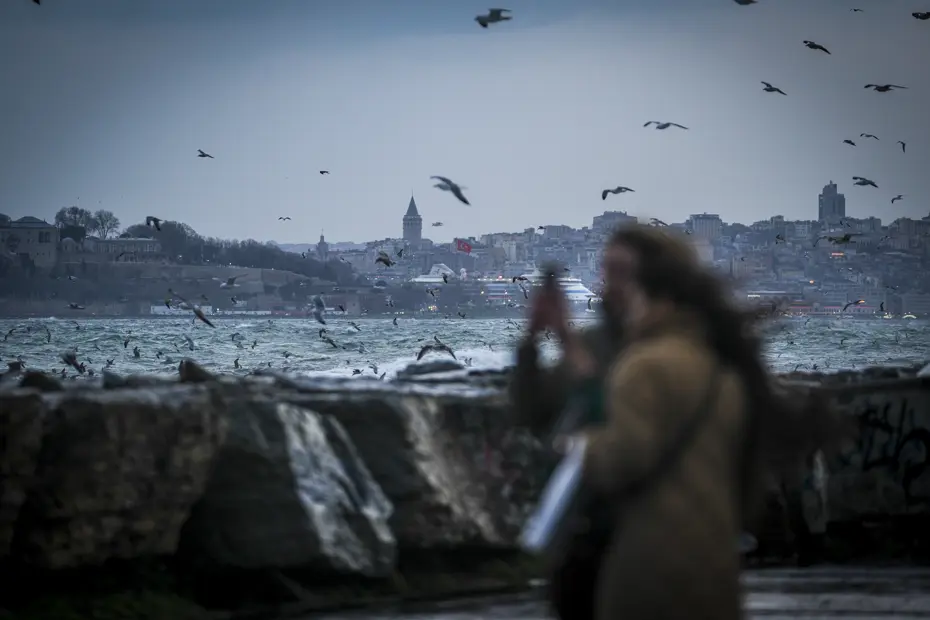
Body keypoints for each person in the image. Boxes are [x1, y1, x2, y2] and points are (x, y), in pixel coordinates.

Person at [547, 224, 833, 620]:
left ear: (651, 292)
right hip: (713, 566)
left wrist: (582, 445)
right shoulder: (722, 367)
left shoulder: (646, 364)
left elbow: (624, 458)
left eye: (626, 281)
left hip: (652, 569)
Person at [510, 269, 626, 620]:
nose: (610, 284)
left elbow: (623, 423)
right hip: (581, 530)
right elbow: (532, 412)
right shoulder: (592, 340)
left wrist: (567, 341)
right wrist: (531, 341)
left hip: (634, 531)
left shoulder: (661, 349)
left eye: (622, 271)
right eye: (609, 271)